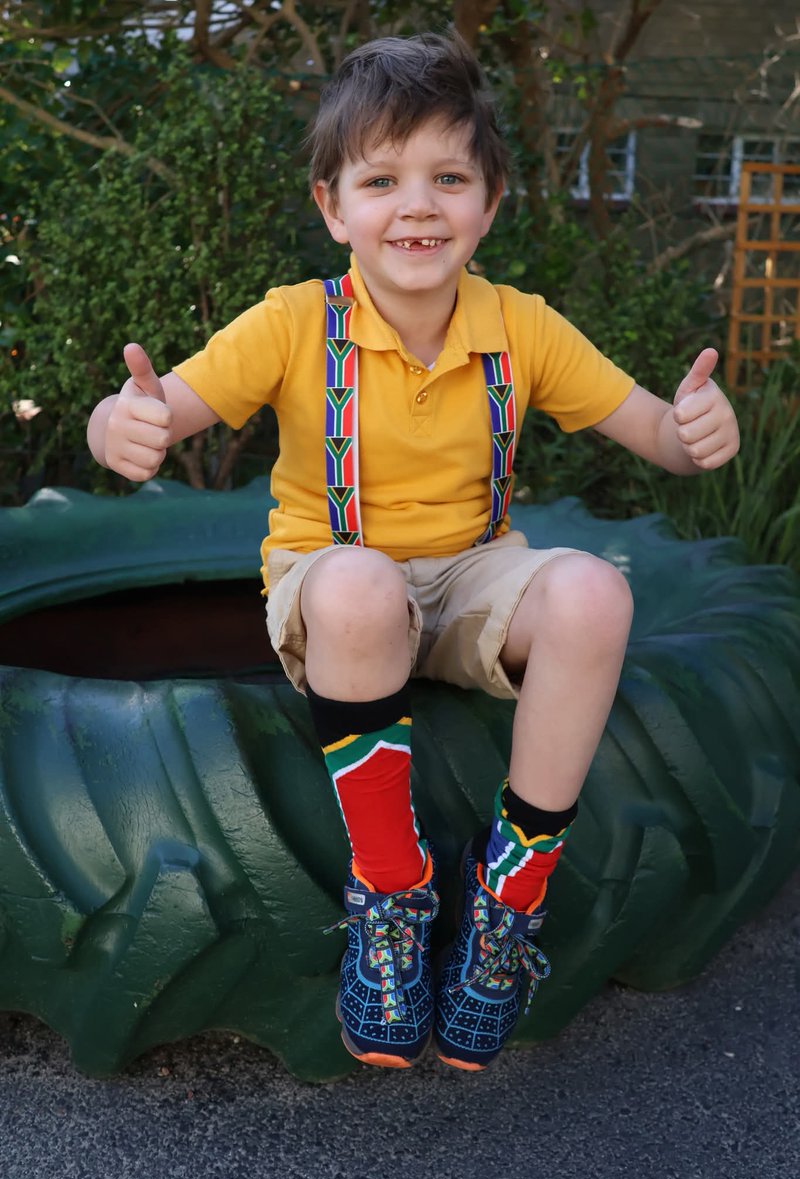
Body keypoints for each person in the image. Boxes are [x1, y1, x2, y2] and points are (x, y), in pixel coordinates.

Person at [86, 31, 740, 1073]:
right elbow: (160, 410)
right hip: (336, 585)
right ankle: (388, 897)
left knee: (588, 596)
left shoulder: (520, 327)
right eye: (381, 179)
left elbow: (656, 433)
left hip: (473, 579)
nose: (418, 205)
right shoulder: (295, 323)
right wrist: (119, 427)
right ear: (332, 207)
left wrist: (697, 428)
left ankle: (505, 908)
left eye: (448, 177)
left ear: (487, 202)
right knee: (355, 584)